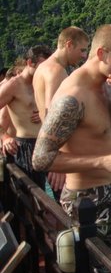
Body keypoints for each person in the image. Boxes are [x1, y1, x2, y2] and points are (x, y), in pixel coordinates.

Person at [32, 24, 111, 270]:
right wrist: (102, 161)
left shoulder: (107, 86)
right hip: (86, 202)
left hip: (109, 194)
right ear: (102, 54)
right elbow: (40, 159)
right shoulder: (72, 97)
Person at [33, 26, 90, 201]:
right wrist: (58, 162)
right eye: (81, 50)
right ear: (69, 44)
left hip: (48, 147)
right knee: (74, 210)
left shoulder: (42, 68)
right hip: (58, 152)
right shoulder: (57, 71)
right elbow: (54, 116)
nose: (84, 56)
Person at [0, 45, 52, 189]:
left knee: (61, 191)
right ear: (30, 63)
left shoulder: (46, 83)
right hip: (26, 147)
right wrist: (4, 137)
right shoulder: (14, 86)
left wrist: (43, 115)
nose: (45, 71)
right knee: (34, 195)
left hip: (48, 143)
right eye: (42, 66)